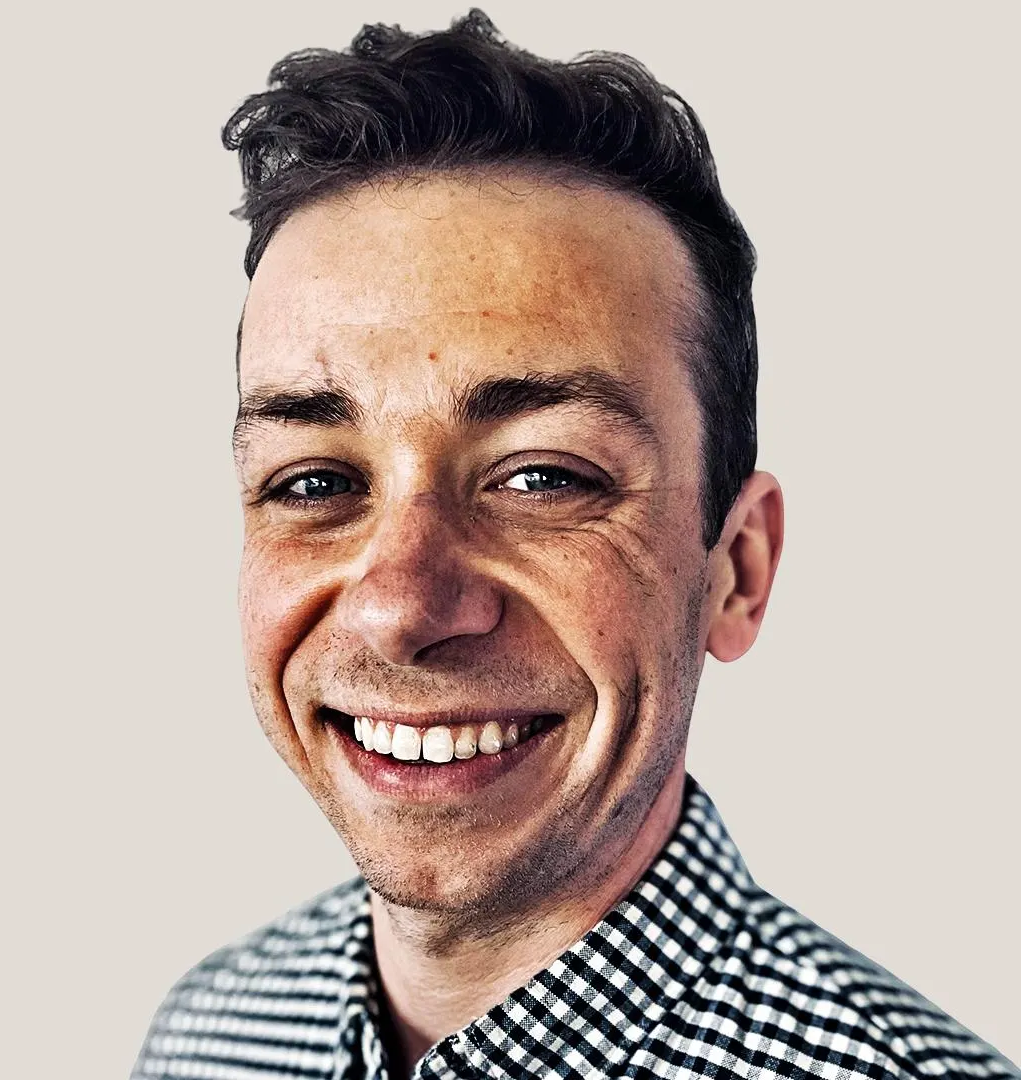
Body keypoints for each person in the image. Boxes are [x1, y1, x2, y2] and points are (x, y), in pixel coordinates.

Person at [130, 10, 1018, 1079]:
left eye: (543, 476)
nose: (399, 606)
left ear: (737, 571)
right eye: (315, 482)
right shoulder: (210, 1030)